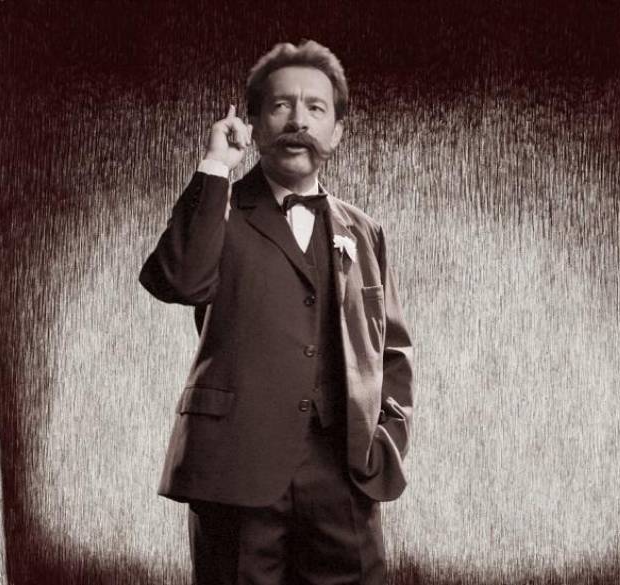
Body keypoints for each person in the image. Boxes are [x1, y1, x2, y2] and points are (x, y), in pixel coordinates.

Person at [139, 39, 414, 584]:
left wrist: (386, 439)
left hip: (344, 473)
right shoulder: (218, 207)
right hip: (235, 466)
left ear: (337, 131)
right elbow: (178, 280)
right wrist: (216, 166)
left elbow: (392, 347)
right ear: (255, 123)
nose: (298, 121)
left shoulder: (364, 230)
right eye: (281, 105)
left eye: (316, 108)